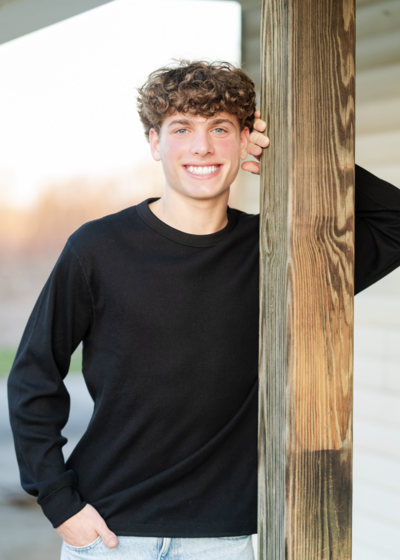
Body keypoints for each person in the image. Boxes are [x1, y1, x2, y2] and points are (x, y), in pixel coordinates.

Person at [7, 60, 400, 560]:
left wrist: (293, 152)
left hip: (222, 540)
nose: (202, 147)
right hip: (109, 534)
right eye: (182, 128)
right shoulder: (97, 250)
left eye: (220, 128)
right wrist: (59, 503)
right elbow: (32, 378)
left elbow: (393, 225)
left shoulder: (277, 254)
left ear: (244, 140)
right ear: (154, 142)